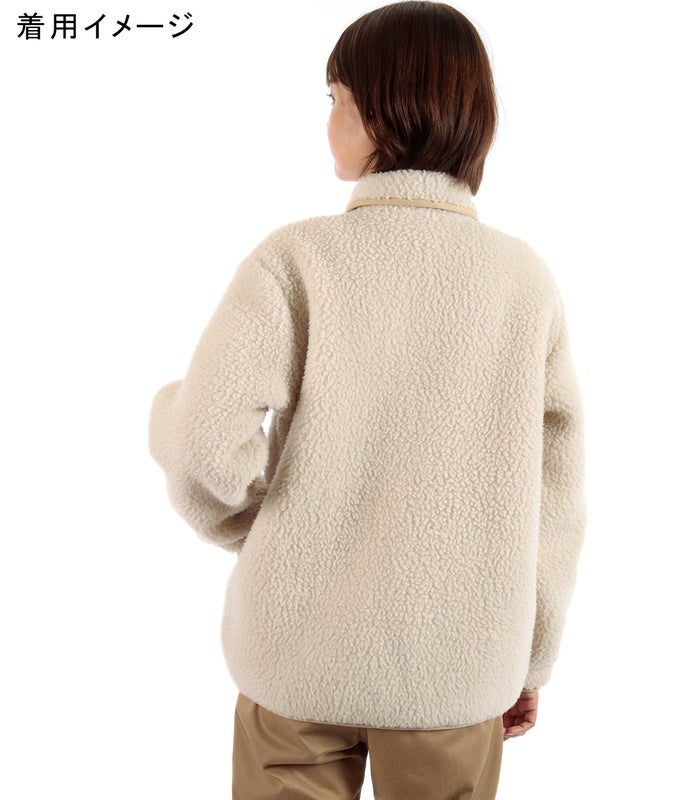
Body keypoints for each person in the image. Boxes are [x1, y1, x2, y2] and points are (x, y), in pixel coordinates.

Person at [148, 2, 587, 798]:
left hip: (296, 657)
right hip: (456, 667)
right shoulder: (523, 280)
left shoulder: (297, 259)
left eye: (334, 97)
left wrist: (266, 530)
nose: (328, 119)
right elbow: (554, 499)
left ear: (380, 111)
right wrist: (531, 658)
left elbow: (204, 444)